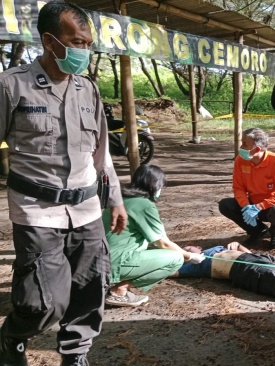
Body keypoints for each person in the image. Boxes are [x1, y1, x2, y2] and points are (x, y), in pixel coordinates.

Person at [0, 2, 128, 365]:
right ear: (49, 40)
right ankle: (13, 338)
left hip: (87, 209)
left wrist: (116, 200)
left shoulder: (87, 89)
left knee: (90, 291)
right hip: (38, 213)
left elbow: (100, 153)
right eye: (76, 41)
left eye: (88, 43)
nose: (83, 50)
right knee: (42, 301)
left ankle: (76, 355)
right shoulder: (12, 86)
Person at [102, 164, 206, 307]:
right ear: (155, 185)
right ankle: (119, 290)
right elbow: (162, 243)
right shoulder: (144, 205)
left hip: (100, 257)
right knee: (175, 259)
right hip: (116, 261)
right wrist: (188, 256)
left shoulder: (120, 199)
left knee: (171, 252)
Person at [218, 128, 275, 249]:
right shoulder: (240, 160)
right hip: (252, 203)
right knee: (225, 205)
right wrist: (246, 206)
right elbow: (238, 188)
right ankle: (257, 230)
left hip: (272, 205)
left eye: (245, 144)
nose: (241, 147)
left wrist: (259, 207)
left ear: (257, 149)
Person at [172, 242, 275, 297]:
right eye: (182, 253)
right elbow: (170, 272)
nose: (186, 252)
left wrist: (238, 245)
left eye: (187, 249)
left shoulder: (215, 248)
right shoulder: (193, 266)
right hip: (242, 268)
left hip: (257, 257)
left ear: (198, 247)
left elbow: (249, 253)